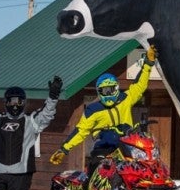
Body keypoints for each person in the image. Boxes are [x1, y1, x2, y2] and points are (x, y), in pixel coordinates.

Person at [49, 46, 157, 176]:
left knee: (143, 165)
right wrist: (64, 149)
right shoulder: (93, 110)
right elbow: (81, 131)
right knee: (96, 168)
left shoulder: (125, 99)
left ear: (116, 89)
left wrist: (148, 63)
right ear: (98, 93)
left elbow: (139, 85)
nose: (107, 94)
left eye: (110, 90)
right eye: (103, 91)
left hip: (127, 147)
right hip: (104, 148)